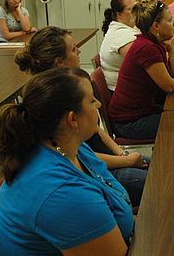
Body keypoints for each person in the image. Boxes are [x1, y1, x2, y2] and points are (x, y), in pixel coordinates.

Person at [0, 67, 133, 255]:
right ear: (72, 119)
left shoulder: (70, 146)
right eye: (92, 100)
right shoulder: (62, 193)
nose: (99, 104)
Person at [15, 26, 149, 208]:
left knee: (159, 169)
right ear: (59, 62)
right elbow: (81, 157)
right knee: (160, 183)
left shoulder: (76, 85)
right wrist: (125, 160)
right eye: (73, 49)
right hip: (95, 169)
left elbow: (96, 131)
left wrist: (120, 152)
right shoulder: (54, 100)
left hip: (103, 162)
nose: (79, 51)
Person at [109, 0, 174, 140]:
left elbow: (173, 74)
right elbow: (169, 85)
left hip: (143, 111)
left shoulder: (154, 43)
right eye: (169, 21)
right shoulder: (146, 48)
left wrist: (171, 49)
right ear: (156, 26)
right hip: (129, 122)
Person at [100, 0, 139, 91]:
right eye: (131, 9)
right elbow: (143, 64)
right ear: (119, 14)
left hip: (129, 87)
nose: (137, 12)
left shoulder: (129, 28)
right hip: (125, 92)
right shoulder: (121, 36)